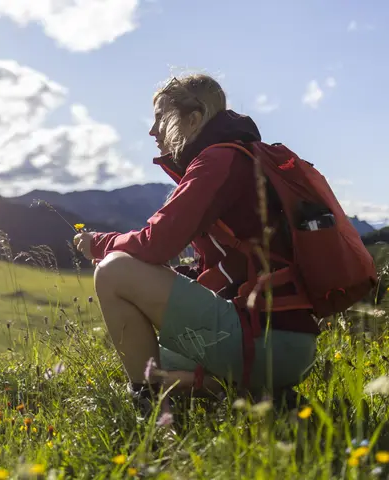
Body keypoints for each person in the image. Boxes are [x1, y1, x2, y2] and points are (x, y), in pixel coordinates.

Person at [73, 74, 319, 415]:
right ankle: (252, 393)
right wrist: (174, 276)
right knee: (154, 359)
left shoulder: (218, 160)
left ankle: (150, 408)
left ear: (194, 118)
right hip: (284, 339)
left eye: (161, 116)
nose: (152, 130)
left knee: (113, 270)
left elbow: (155, 243)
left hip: (265, 338)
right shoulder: (239, 158)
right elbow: (226, 265)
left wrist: (99, 243)